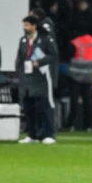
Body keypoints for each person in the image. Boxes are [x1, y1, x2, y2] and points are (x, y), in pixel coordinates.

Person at [16, 15, 57, 144]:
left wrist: (41, 62)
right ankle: (32, 135)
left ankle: (48, 134)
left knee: (44, 106)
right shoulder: (23, 40)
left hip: (41, 77)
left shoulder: (45, 39)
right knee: (29, 107)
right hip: (27, 78)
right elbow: (20, 57)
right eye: (24, 25)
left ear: (34, 26)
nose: (25, 28)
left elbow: (53, 55)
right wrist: (19, 72)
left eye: (27, 25)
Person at [66, 31, 92, 131]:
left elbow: (68, 55)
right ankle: (90, 125)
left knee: (74, 101)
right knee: (88, 102)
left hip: (76, 76)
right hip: (89, 76)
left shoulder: (76, 42)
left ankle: (70, 124)